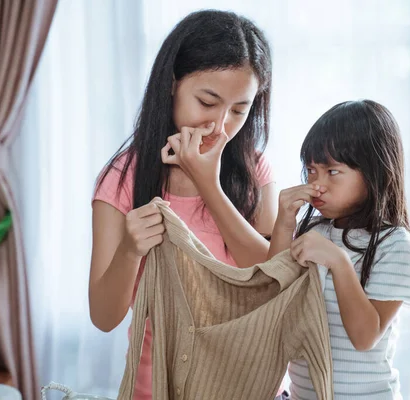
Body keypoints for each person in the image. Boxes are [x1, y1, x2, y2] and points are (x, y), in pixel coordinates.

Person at [89, 10, 277, 399]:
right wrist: (129, 250)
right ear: (172, 83)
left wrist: (210, 186)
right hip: (158, 387)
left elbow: (272, 282)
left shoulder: (254, 170)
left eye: (240, 110)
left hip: (250, 382)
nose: (221, 125)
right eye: (207, 101)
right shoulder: (122, 179)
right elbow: (104, 317)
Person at [269, 100, 410, 399]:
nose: (317, 184)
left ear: (373, 173)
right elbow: (272, 295)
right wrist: (283, 223)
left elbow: (364, 337)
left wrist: (339, 263)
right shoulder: (316, 230)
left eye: (333, 171)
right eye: (311, 170)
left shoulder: (393, 244)